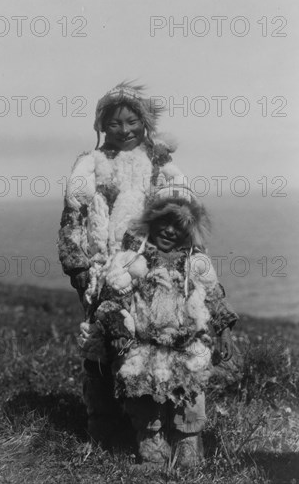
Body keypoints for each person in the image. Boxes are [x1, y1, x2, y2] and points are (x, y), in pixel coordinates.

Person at [57, 82, 185, 447]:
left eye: (132, 122)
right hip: (99, 271)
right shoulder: (89, 165)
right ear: (101, 125)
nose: (125, 130)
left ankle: (151, 427)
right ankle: (105, 428)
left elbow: (178, 214)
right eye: (115, 123)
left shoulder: (160, 164)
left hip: (147, 269)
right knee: (100, 344)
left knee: (147, 345)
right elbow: (73, 220)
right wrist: (79, 269)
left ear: (144, 123)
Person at [92, 185, 239, 467]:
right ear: (151, 221)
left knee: (190, 399)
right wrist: (118, 330)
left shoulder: (196, 263)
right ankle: (153, 454)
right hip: (144, 348)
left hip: (186, 346)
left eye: (179, 226)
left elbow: (214, 297)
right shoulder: (133, 260)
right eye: (165, 222)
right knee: (146, 403)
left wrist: (224, 331)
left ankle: (188, 451)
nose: (170, 231)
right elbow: (111, 298)